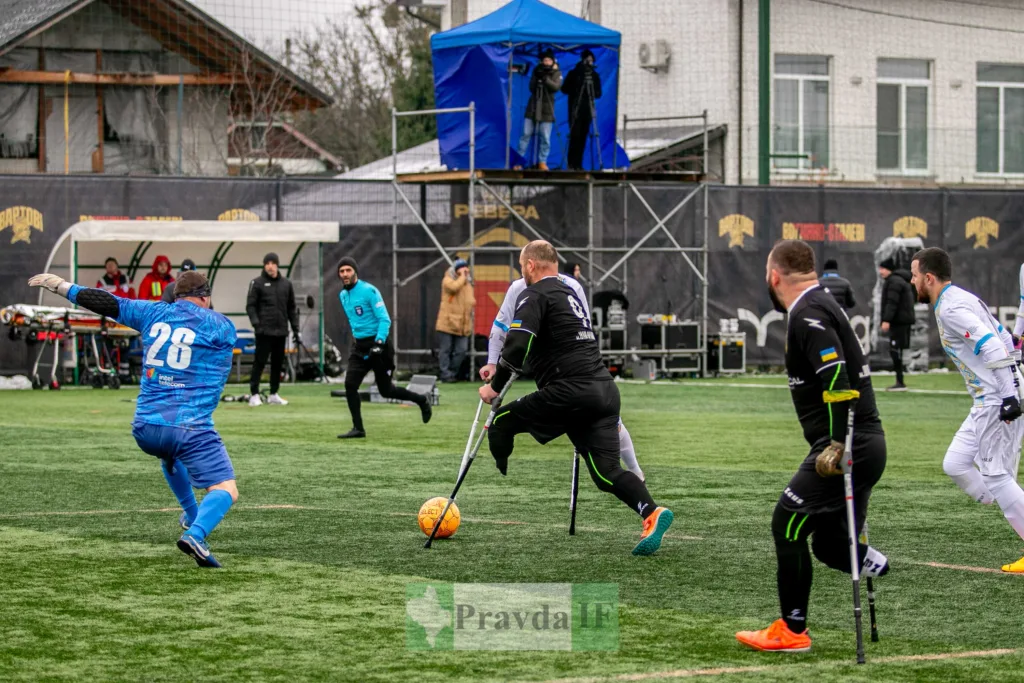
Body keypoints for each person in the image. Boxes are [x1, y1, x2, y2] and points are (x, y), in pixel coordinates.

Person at [736, 239, 888, 653]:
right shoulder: (819, 301)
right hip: (866, 443)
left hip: (848, 444)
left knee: (785, 522)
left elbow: (837, 377)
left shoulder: (807, 311)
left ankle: (792, 630)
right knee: (826, 545)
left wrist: (838, 445)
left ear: (774, 276)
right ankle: (871, 559)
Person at [28, 270, 238, 568]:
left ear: (175, 296)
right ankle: (196, 533)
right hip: (189, 426)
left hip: (146, 427)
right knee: (226, 489)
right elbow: (217, 363)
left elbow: (105, 302)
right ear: (206, 297)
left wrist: (62, 287)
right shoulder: (221, 325)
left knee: (169, 455)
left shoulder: (152, 312)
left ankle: (191, 513)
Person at [479, 240, 670, 555]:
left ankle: (501, 465)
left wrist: (495, 387)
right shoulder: (571, 293)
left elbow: (516, 345)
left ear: (530, 266)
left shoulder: (534, 293)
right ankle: (651, 512)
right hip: (604, 390)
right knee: (606, 473)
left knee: (500, 420)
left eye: (520, 265)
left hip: (569, 392)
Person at [910, 247, 1024, 573]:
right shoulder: (960, 298)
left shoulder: (951, 308)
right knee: (956, 463)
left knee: (996, 475)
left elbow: (990, 343)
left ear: (929, 278)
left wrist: (1009, 393)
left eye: (915, 276)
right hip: (987, 398)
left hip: (995, 398)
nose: (913, 281)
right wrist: (1015, 373)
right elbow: (1002, 335)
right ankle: (1006, 498)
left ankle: (1008, 498)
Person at [481, 270, 645, 482]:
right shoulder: (518, 288)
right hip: (547, 371)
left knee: (611, 422)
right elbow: (500, 327)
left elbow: (585, 328)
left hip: (576, 369)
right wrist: (492, 363)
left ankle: (635, 470)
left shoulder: (571, 286)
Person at [336, 257, 432, 439]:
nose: (345, 274)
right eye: (342, 271)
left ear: (355, 271)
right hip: (360, 348)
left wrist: (379, 343)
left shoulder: (369, 291)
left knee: (386, 391)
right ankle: (358, 428)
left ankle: (421, 400)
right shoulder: (343, 295)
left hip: (379, 347)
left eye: (348, 270)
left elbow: (384, 319)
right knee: (350, 385)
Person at [245, 253, 300, 407]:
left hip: (281, 331)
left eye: (272, 263)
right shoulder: (257, 283)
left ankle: (273, 393)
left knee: (278, 363)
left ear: (277, 265)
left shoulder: (286, 284)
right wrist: (257, 324)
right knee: (260, 362)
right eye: (267, 263)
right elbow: (250, 306)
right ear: (264, 265)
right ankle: (254, 394)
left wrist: (296, 329)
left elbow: (291, 308)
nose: (270, 266)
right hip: (263, 332)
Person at [515, 49, 562, 171]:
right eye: (545, 60)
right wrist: (538, 77)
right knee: (525, 134)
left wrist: (545, 78)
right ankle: (519, 161)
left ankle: (542, 162)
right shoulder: (537, 71)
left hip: (547, 109)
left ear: (552, 61)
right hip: (533, 107)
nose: (546, 62)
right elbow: (531, 87)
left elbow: (556, 87)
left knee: (545, 137)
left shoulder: (556, 73)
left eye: (548, 60)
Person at [435, 258, 475, 383]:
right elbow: (454, 288)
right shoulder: (447, 280)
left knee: (461, 350)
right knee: (445, 350)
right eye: (463, 268)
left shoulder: (467, 284)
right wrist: (462, 277)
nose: (466, 271)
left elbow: (470, 301)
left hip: (463, 324)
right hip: (447, 322)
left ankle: (452, 373)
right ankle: (445, 374)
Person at [561, 49, 602, 171]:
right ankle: (571, 164)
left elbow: (598, 93)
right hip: (575, 109)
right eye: (588, 60)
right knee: (575, 136)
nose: (590, 62)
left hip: (587, 110)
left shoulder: (594, 75)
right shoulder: (574, 73)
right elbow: (565, 89)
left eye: (592, 60)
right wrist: (578, 84)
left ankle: (578, 164)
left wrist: (591, 88)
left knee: (583, 137)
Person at [878, 258, 915, 391]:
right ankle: (900, 380)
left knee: (895, 350)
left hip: (899, 321)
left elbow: (892, 302)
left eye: (882, 268)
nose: (880, 271)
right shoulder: (900, 280)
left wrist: (886, 319)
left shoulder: (894, 282)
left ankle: (900, 382)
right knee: (897, 349)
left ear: (889, 269)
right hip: (903, 320)